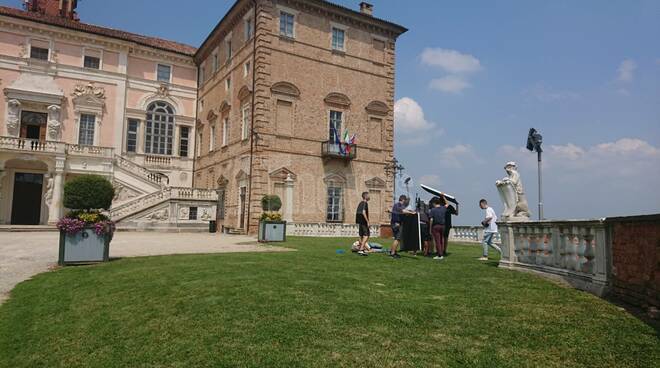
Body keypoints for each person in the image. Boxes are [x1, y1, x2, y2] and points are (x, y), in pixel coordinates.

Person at [389, 195, 415, 259]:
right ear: (403, 200)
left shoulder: (399, 205)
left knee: (396, 239)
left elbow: (405, 211)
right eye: (405, 200)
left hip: (396, 223)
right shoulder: (398, 205)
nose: (405, 202)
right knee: (397, 239)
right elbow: (403, 211)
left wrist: (411, 212)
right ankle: (392, 253)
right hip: (396, 224)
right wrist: (412, 213)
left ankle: (393, 251)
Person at [355, 191, 370, 256]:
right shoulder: (364, 203)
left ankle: (361, 249)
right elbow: (363, 212)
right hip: (363, 222)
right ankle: (361, 249)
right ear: (366, 196)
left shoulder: (360, 203)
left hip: (360, 221)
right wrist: (367, 221)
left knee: (361, 235)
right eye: (369, 195)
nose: (369, 196)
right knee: (367, 235)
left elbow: (358, 213)